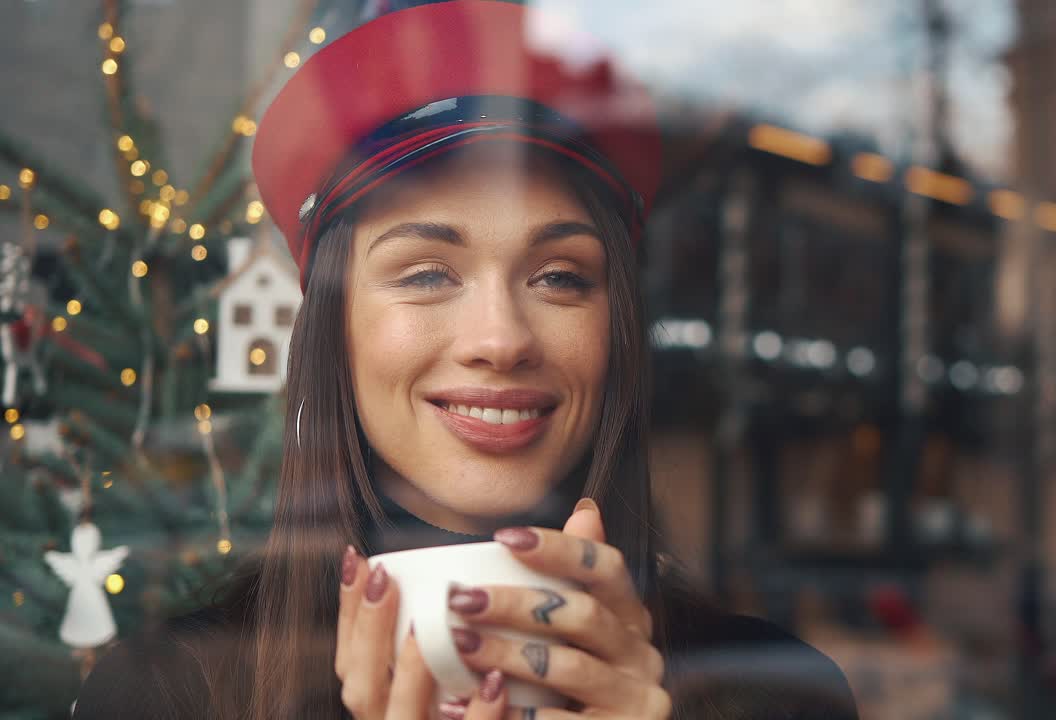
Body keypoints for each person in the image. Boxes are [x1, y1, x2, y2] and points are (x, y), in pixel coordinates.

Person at [73, 2, 858, 718]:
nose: (500, 338)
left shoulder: (777, 695)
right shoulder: (162, 692)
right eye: (426, 274)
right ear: (333, 335)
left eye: (559, 277)